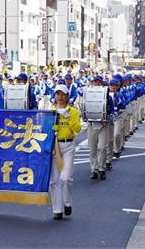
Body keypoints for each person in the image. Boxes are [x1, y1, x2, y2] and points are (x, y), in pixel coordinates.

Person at [49, 84, 81, 220]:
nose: (60, 97)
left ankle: (67, 202)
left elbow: (78, 129)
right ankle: (57, 209)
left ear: (67, 96)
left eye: (63, 94)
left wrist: (67, 117)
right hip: (54, 146)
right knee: (54, 180)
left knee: (66, 178)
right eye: (57, 94)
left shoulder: (73, 112)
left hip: (67, 145)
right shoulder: (50, 110)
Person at [86, 75, 113, 181]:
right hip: (91, 124)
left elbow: (111, 109)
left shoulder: (107, 96)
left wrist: (107, 116)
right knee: (92, 149)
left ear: (102, 83)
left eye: (98, 82)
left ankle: (101, 169)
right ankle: (94, 170)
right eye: (94, 82)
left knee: (102, 147)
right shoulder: (87, 95)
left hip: (103, 124)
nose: (96, 84)